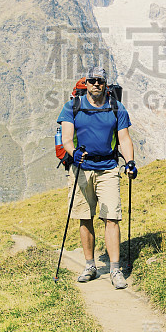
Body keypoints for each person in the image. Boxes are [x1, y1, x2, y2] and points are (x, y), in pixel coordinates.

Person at [58, 67, 137, 289]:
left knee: (111, 216)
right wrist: (75, 154)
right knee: (85, 217)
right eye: (92, 80)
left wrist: (130, 162)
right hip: (81, 167)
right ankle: (90, 265)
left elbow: (125, 138)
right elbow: (66, 139)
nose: (96, 84)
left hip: (108, 167)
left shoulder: (116, 107)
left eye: (100, 81)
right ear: (86, 83)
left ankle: (115, 269)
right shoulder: (72, 107)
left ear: (105, 84)